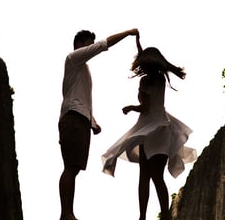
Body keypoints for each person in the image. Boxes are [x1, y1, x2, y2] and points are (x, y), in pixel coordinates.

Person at [101, 35, 197, 220]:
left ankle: (142, 216)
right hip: (163, 129)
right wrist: (137, 42)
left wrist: (129, 107)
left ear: (145, 64)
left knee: (144, 175)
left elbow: (145, 107)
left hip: (148, 129)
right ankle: (167, 215)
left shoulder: (144, 81)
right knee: (158, 177)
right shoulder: (160, 79)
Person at [59, 28, 139, 220]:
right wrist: (128, 33)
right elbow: (103, 45)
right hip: (73, 119)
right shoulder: (74, 58)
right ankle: (66, 214)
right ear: (79, 44)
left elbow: (81, 96)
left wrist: (92, 121)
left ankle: (67, 213)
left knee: (75, 167)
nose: (91, 46)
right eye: (88, 43)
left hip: (79, 119)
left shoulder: (82, 68)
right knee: (71, 167)